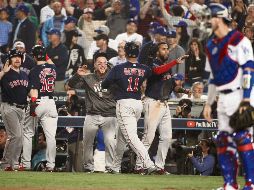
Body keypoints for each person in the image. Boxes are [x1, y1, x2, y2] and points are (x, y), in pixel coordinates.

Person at [203, 3, 254, 190]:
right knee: (223, 140)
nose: (209, 21)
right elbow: (212, 78)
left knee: (242, 137)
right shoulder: (210, 44)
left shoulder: (239, 39)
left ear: (219, 18)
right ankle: (230, 185)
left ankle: (250, 184)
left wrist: (247, 98)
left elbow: (249, 69)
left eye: (212, 17)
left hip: (239, 93)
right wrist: (208, 103)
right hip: (222, 97)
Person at [101, 42, 157, 174]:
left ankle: (148, 164)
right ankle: (115, 167)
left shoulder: (118, 68)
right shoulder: (144, 68)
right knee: (121, 137)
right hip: (138, 104)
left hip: (124, 104)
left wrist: (116, 83)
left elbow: (104, 84)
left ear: (125, 53)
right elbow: (149, 71)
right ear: (137, 53)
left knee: (131, 137)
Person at [134, 42, 189, 174]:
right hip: (152, 103)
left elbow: (172, 86)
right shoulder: (151, 64)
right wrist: (175, 62)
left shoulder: (167, 67)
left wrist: (183, 90)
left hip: (164, 104)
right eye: (163, 49)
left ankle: (159, 167)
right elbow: (158, 71)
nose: (167, 51)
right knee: (149, 136)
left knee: (167, 136)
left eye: (167, 49)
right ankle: (138, 166)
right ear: (157, 51)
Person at [67, 53, 117, 173]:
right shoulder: (88, 77)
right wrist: (77, 75)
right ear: (94, 65)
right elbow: (70, 85)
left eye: (104, 63)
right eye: (99, 63)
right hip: (92, 114)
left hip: (109, 115)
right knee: (87, 142)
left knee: (110, 141)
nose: (102, 65)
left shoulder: (113, 77)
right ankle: (88, 167)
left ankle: (110, 167)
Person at [28, 45, 58, 172]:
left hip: (39, 101)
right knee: (51, 137)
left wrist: (33, 106)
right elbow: (50, 62)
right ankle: (51, 165)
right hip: (51, 103)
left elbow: (34, 90)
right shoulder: (52, 68)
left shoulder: (34, 70)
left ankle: (25, 163)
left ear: (34, 57)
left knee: (28, 133)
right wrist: (44, 53)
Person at [0, 49, 29, 171]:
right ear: (9, 59)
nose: (17, 59)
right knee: (15, 135)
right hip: (9, 107)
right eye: (14, 57)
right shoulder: (5, 73)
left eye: (19, 57)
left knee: (19, 137)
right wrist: (3, 72)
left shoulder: (24, 74)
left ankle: (14, 163)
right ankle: (6, 163)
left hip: (22, 109)